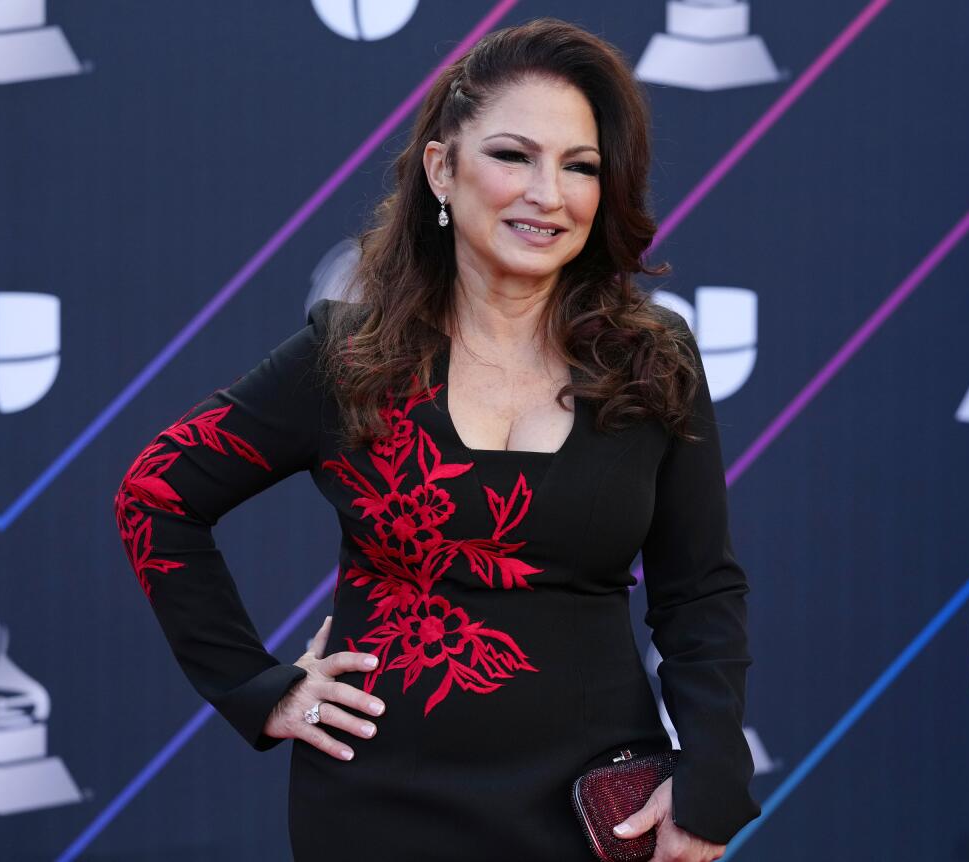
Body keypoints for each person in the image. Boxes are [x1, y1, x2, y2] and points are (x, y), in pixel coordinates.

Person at [113, 16, 761, 861]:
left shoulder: (649, 360)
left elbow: (700, 590)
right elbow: (156, 492)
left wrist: (709, 774)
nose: (548, 194)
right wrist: (254, 687)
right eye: (512, 155)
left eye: (581, 167)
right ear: (441, 169)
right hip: (375, 809)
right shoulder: (349, 358)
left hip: (590, 811)